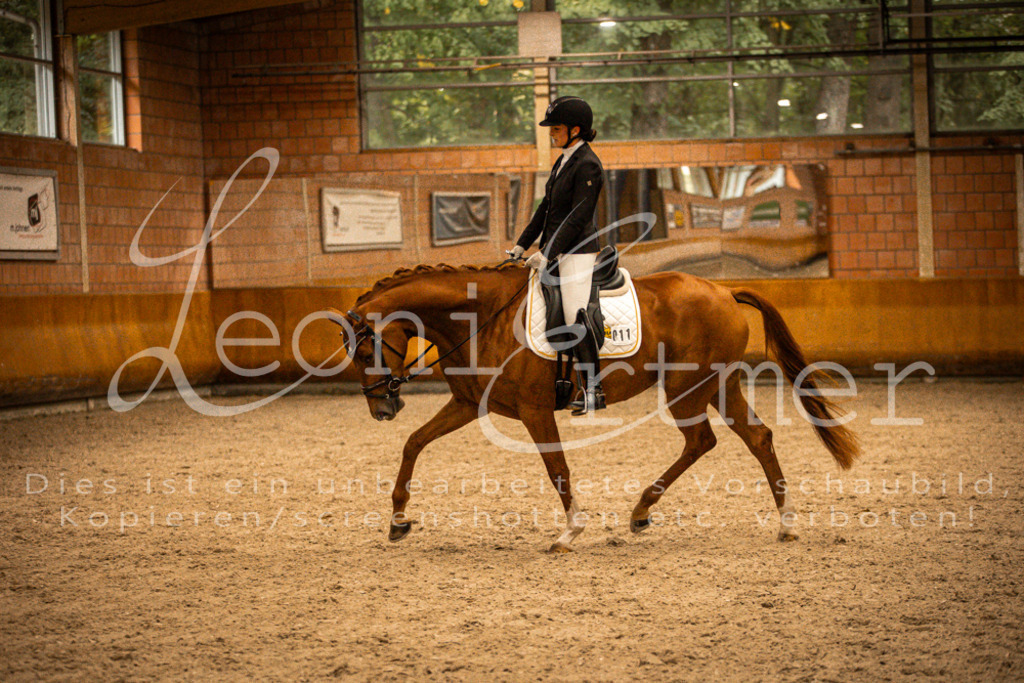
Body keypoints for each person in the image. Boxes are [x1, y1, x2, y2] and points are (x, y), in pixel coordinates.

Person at [508, 95, 606, 415]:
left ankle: (594, 389)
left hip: (577, 251)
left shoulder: (589, 163)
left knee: (573, 314)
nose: (552, 133)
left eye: (557, 128)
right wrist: (523, 245)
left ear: (576, 130)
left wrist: (548, 252)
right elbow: (546, 208)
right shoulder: (564, 159)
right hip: (556, 250)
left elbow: (579, 216)